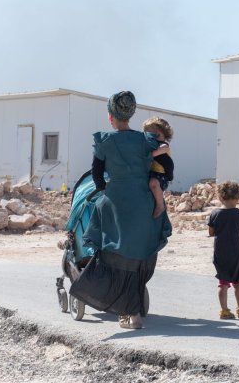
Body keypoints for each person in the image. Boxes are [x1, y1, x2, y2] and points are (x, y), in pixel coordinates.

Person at [68, 90, 173, 330]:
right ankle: (135, 315)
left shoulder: (105, 140)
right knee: (139, 255)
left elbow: (96, 173)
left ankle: (118, 305)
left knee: (111, 253)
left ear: (110, 117)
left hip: (115, 201)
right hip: (144, 202)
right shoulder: (144, 140)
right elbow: (165, 156)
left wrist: (107, 189)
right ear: (131, 114)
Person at [207, 181, 239, 319]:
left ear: (220, 197)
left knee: (223, 282)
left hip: (220, 253)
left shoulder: (215, 214)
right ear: (238, 198)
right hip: (237, 253)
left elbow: (211, 232)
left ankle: (224, 310)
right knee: (238, 282)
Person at [142, 117, 174, 218]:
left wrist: (149, 154)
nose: (154, 138)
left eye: (157, 135)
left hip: (161, 176)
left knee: (154, 183)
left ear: (165, 134)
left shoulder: (164, 146)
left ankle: (160, 206)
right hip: (151, 173)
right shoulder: (148, 146)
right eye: (150, 135)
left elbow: (159, 151)